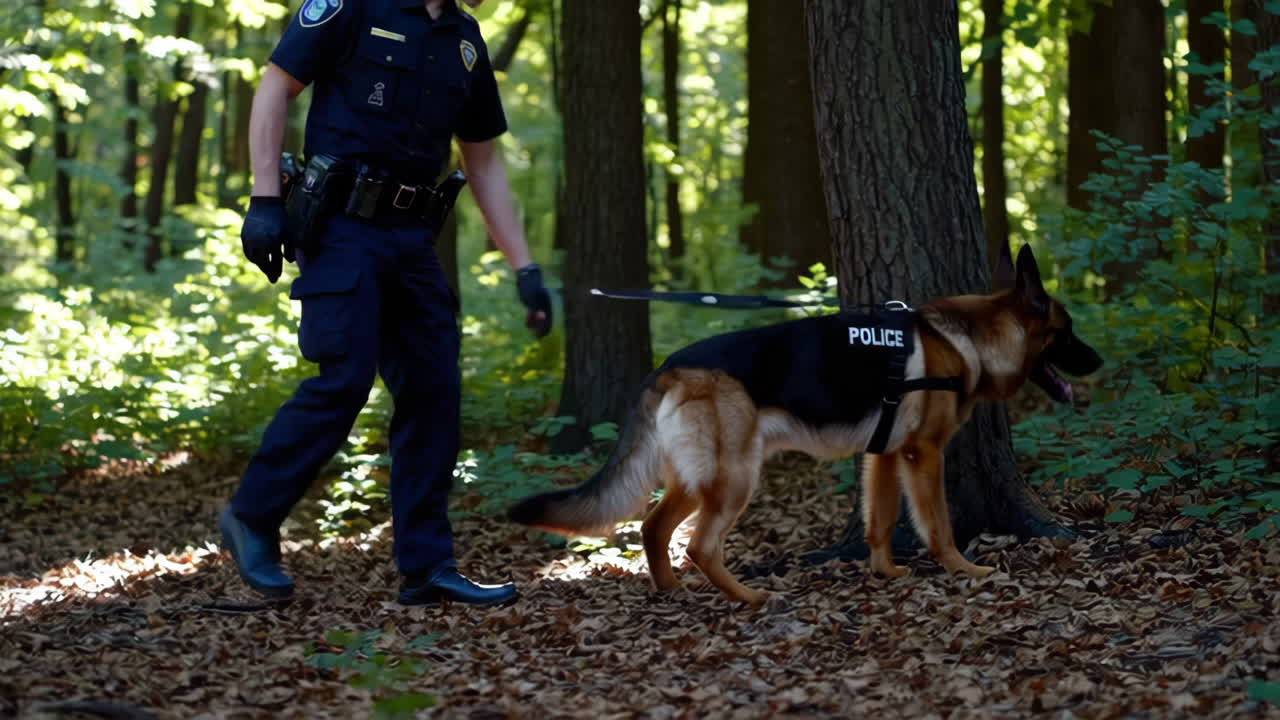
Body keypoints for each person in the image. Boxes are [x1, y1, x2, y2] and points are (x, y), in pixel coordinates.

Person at [220, 0, 551, 607]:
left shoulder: (464, 38)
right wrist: (264, 201)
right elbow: (274, 87)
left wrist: (523, 266)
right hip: (341, 227)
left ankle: (427, 566)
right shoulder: (350, 6)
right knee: (344, 378)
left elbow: (483, 161)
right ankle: (253, 517)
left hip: (414, 240)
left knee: (434, 392)